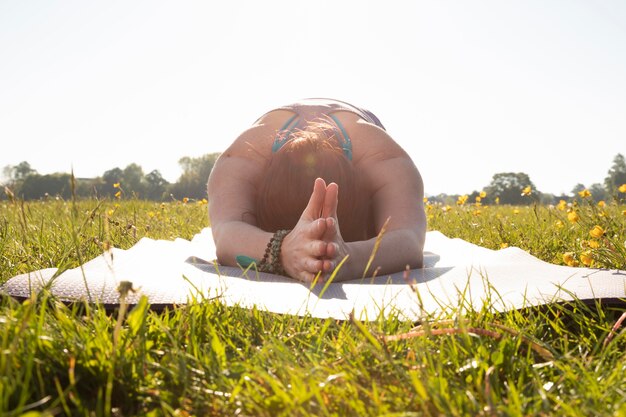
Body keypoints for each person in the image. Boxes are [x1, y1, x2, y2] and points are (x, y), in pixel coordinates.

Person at [207, 98, 426, 283]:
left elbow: (409, 240)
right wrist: (283, 250)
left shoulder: (381, 155)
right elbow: (226, 233)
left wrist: (346, 258)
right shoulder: (243, 157)